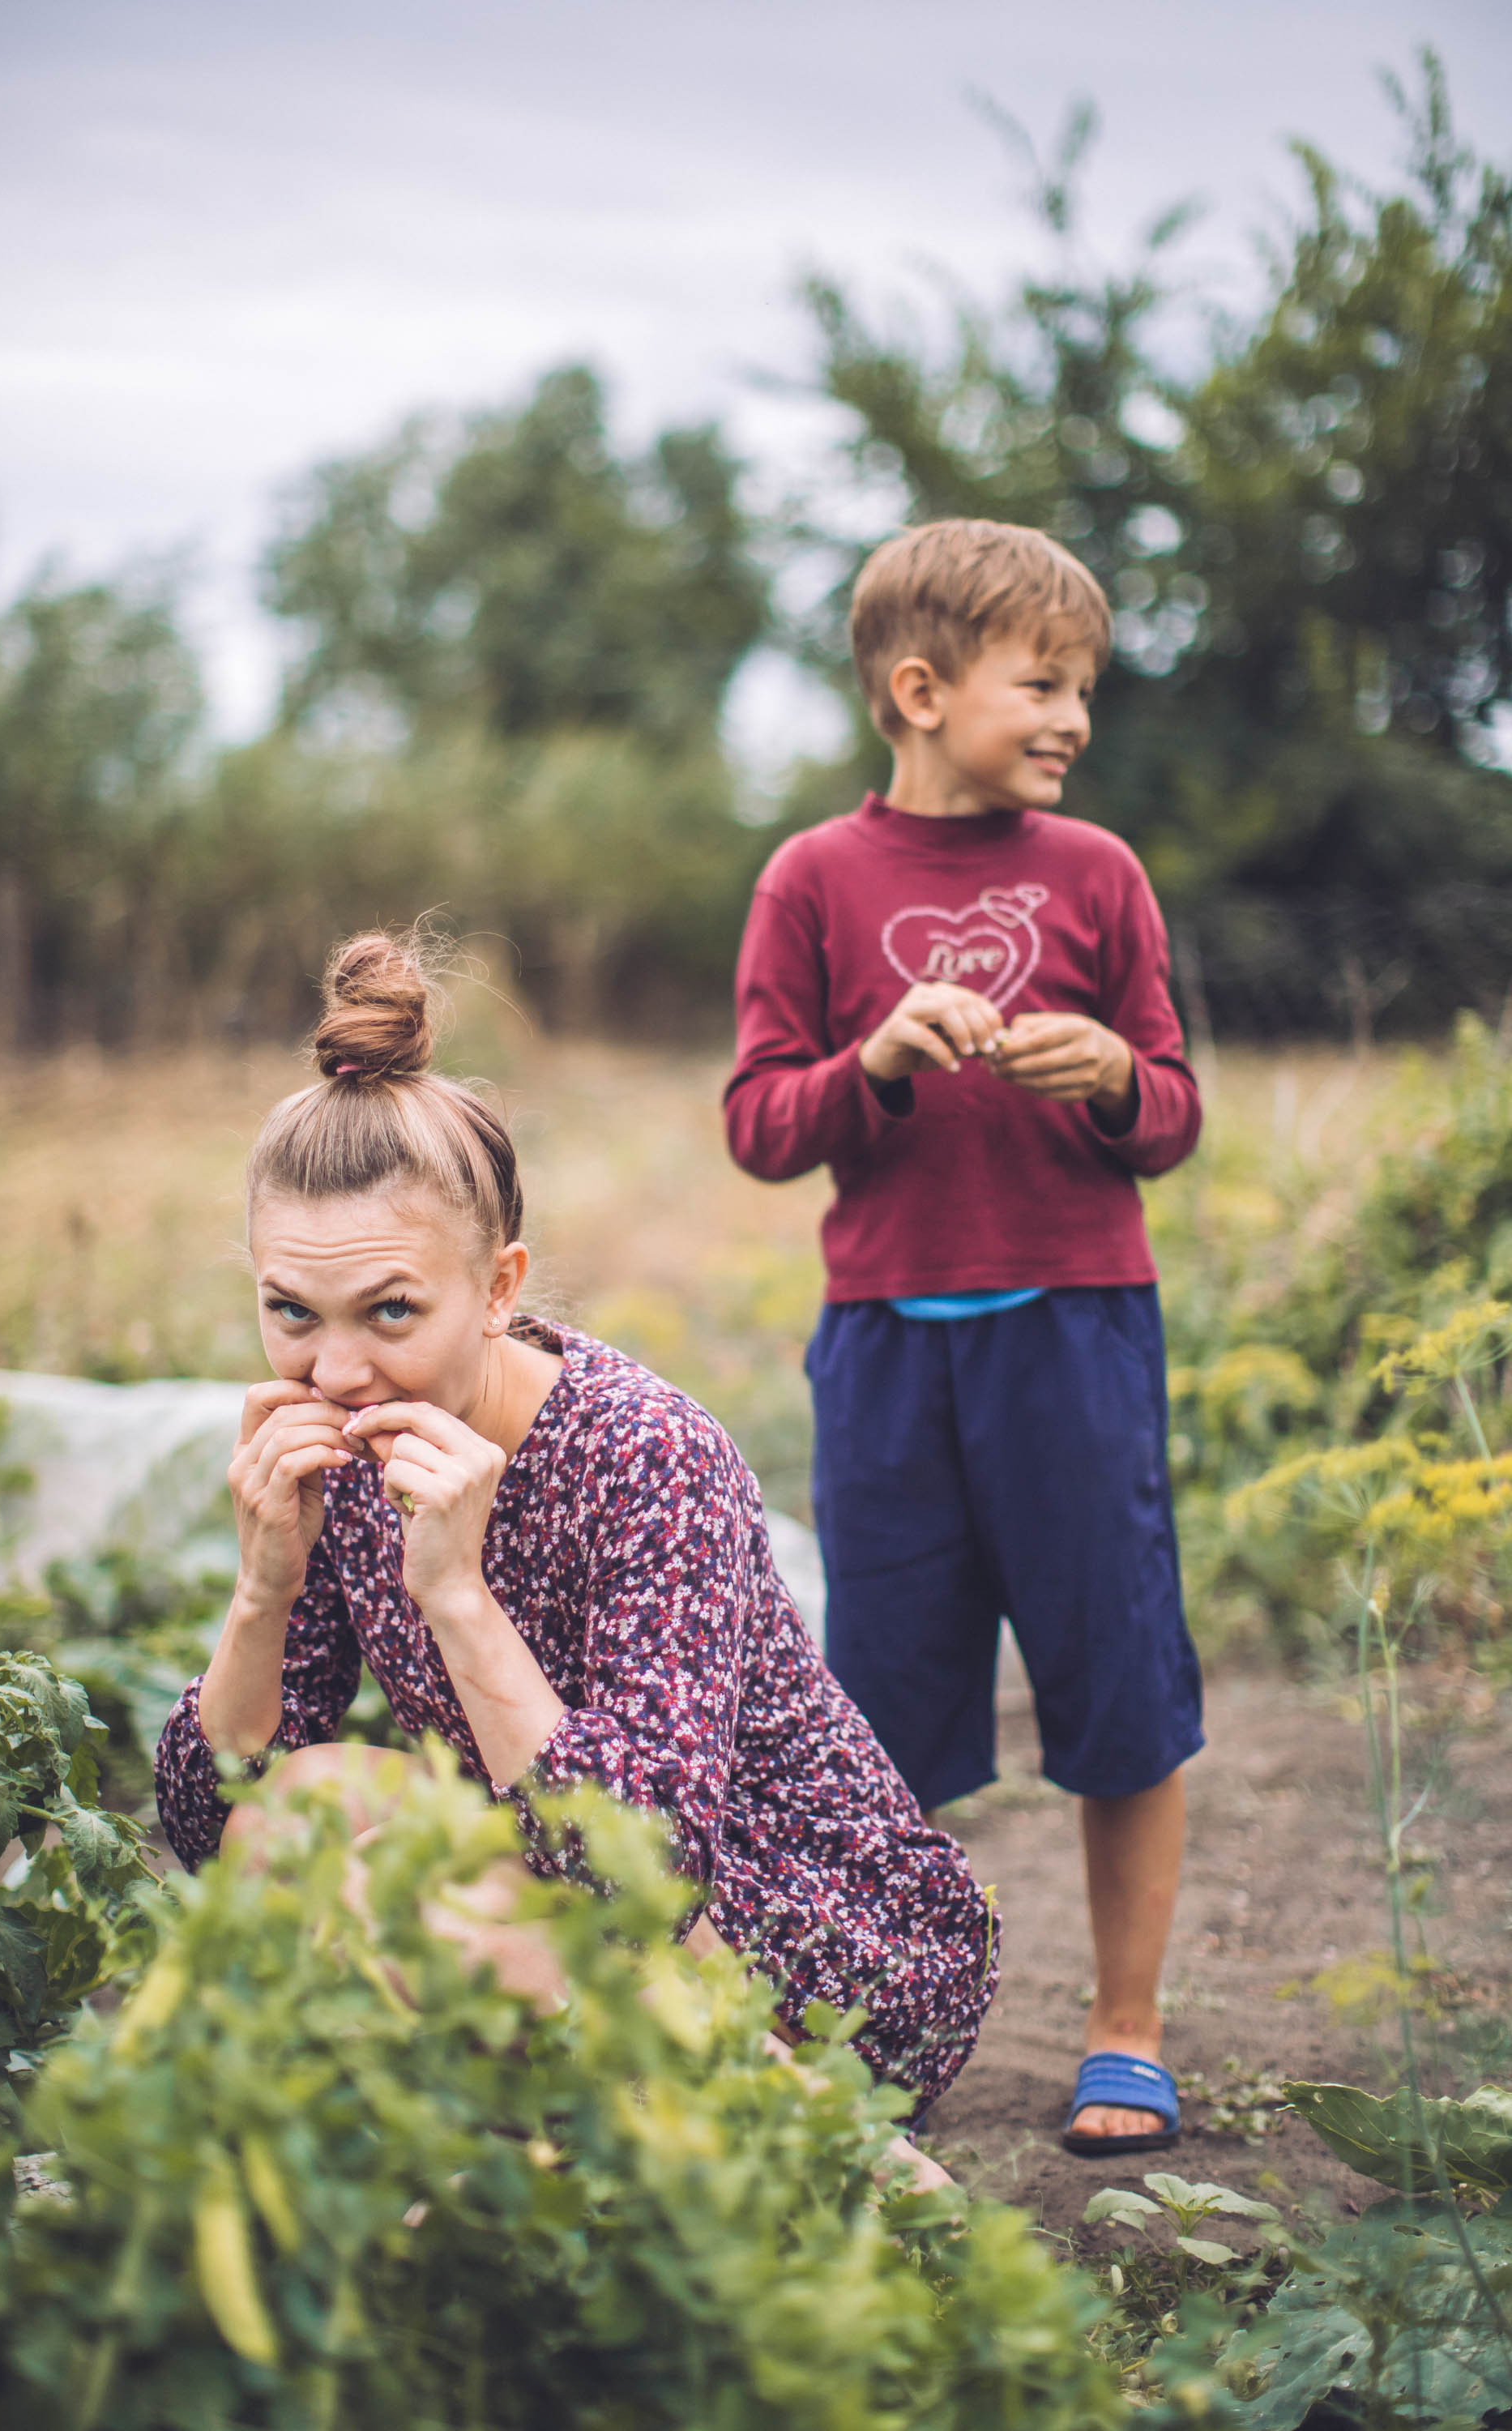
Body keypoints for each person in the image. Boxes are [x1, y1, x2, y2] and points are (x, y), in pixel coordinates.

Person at [154, 929, 999, 2137]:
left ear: (501, 1288)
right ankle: (579, 2138)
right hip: (556, 1881)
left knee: (394, 1918)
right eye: (290, 1311)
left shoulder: (647, 1454)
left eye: (391, 1310)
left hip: (810, 1938)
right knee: (303, 1814)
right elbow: (207, 1819)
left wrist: (457, 1594)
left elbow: (643, 1870)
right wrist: (264, 1589)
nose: (334, 1369)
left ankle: (828, 2143)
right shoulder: (335, 1454)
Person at [723, 519, 1204, 2158]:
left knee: (1117, 1672)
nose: (1074, 718)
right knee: (880, 1704)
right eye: (1043, 684)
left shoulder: (1100, 876)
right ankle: (878, 2027)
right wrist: (876, 1064)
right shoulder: (811, 880)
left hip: (1076, 1330)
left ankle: (1123, 2031)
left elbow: (1175, 1109)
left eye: (1085, 689)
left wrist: (1117, 1084)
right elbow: (761, 1124)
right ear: (917, 690)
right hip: (885, 1351)